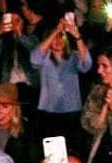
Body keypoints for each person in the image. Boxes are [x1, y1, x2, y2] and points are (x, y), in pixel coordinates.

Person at [30, 17, 93, 149]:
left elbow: (87, 65)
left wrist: (77, 37)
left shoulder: (74, 56)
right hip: (48, 112)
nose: (58, 41)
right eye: (54, 38)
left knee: (72, 149)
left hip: (71, 111)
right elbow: (34, 59)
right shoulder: (44, 58)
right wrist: (56, 30)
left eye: (61, 37)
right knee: (51, 151)